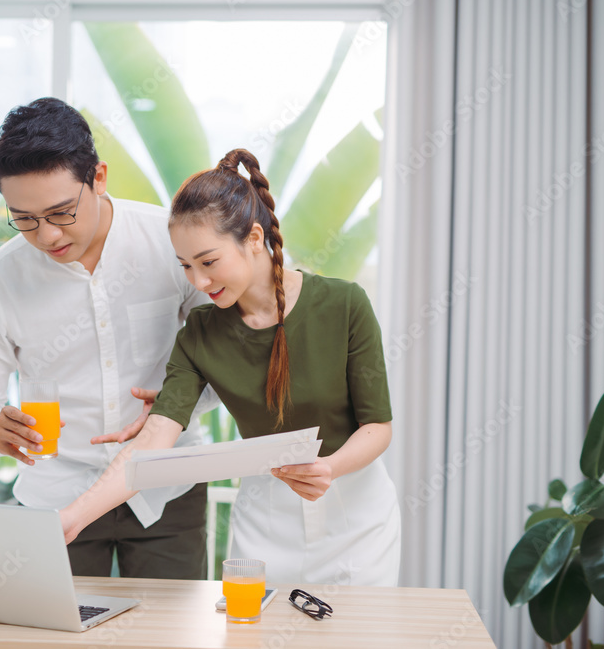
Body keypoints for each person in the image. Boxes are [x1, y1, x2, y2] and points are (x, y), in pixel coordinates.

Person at [60, 148, 401, 586]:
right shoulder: (201, 333)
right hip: (266, 521)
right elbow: (151, 441)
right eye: (186, 266)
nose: (198, 282)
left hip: (356, 518)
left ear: (254, 238)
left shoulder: (344, 304)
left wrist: (329, 468)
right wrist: (72, 517)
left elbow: (377, 427)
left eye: (208, 261)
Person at [0, 97, 217, 580]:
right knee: (56, 623)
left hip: (166, 488)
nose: (47, 236)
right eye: (24, 218)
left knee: (172, 624)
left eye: (61, 212)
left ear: (98, 177)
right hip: (55, 498)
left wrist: (175, 407)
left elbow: (226, 366)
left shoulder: (171, 242)